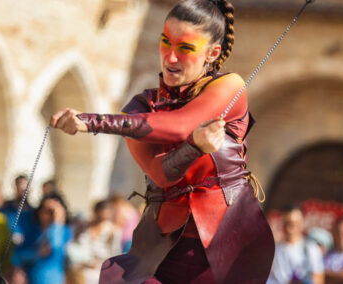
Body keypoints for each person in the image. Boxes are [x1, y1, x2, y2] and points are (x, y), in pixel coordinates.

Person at [50, 0, 275, 283]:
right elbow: (161, 174)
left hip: (227, 246)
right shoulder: (140, 106)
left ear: (212, 53)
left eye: (185, 48)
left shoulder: (228, 86)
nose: (170, 58)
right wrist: (195, 147)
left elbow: (180, 125)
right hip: (161, 249)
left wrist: (91, 122)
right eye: (165, 43)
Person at [12, 192, 73, 284]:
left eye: (52, 211)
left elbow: (55, 247)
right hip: (30, 279)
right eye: (46, 210)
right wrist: (36, 254)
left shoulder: (64, 231)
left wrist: (57, 223)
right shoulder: (32, 232)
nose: (50, 215)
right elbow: (17, 256)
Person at [67, 200, 122, 284]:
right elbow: (71, 247)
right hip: (78, 273)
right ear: (95, 212)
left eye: (105, 218)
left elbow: (115, 255)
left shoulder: (113, 232)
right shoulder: (82, 227)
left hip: (99, 275)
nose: (102, 222)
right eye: (100, 217)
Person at [267, 206, 325, 284]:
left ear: (302, 223)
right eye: (286, 223)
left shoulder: (311, 249)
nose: (289, 229)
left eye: (294, 224)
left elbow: (318, 279)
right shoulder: (274, 250)